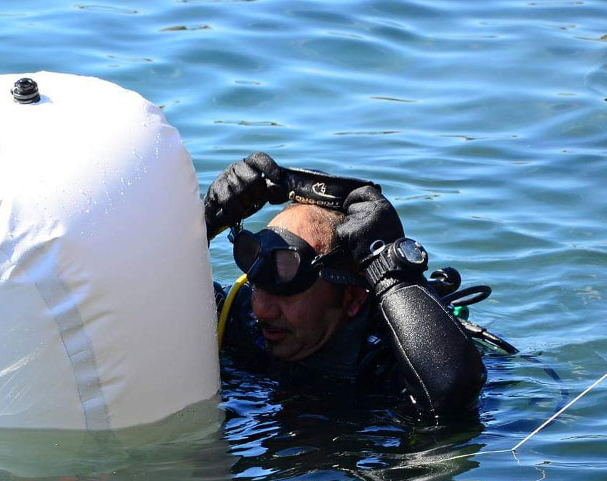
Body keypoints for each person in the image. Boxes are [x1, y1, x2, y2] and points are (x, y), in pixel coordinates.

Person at [204, 152, 492, 417]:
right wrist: (204, 223)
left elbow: (453, 397)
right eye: (258, 285)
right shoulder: (242, 321)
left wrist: (389, 265)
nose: (262, 310)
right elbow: (161, 299)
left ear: (352, 299)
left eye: (286, 292)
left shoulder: (394, 364)